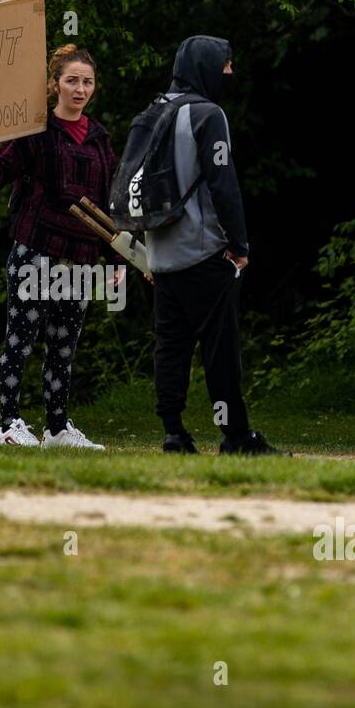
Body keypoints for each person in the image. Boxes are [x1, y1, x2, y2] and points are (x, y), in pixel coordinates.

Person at [0, 44, 125, 450]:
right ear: (54, 84)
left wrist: (117, 257)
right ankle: (9, 425)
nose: (79, 88)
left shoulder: (100, 138)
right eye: (71, 80)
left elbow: (108, 204)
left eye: (87, 82)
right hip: (35, 250)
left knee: (63, 347)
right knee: (20, 339)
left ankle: (55, 429)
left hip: (81, 258)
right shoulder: (35, 131)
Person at [142, 35, 284, 455]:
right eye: (225, 64)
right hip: (204, 251)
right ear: (206, 67)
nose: (230, 73)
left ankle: (174, 434)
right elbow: (224, 186)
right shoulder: (208, 114)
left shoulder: (153, 112)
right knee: (221, 351)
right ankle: (235, 436)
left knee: (171, 348)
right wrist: (238, 244)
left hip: (161, 254)